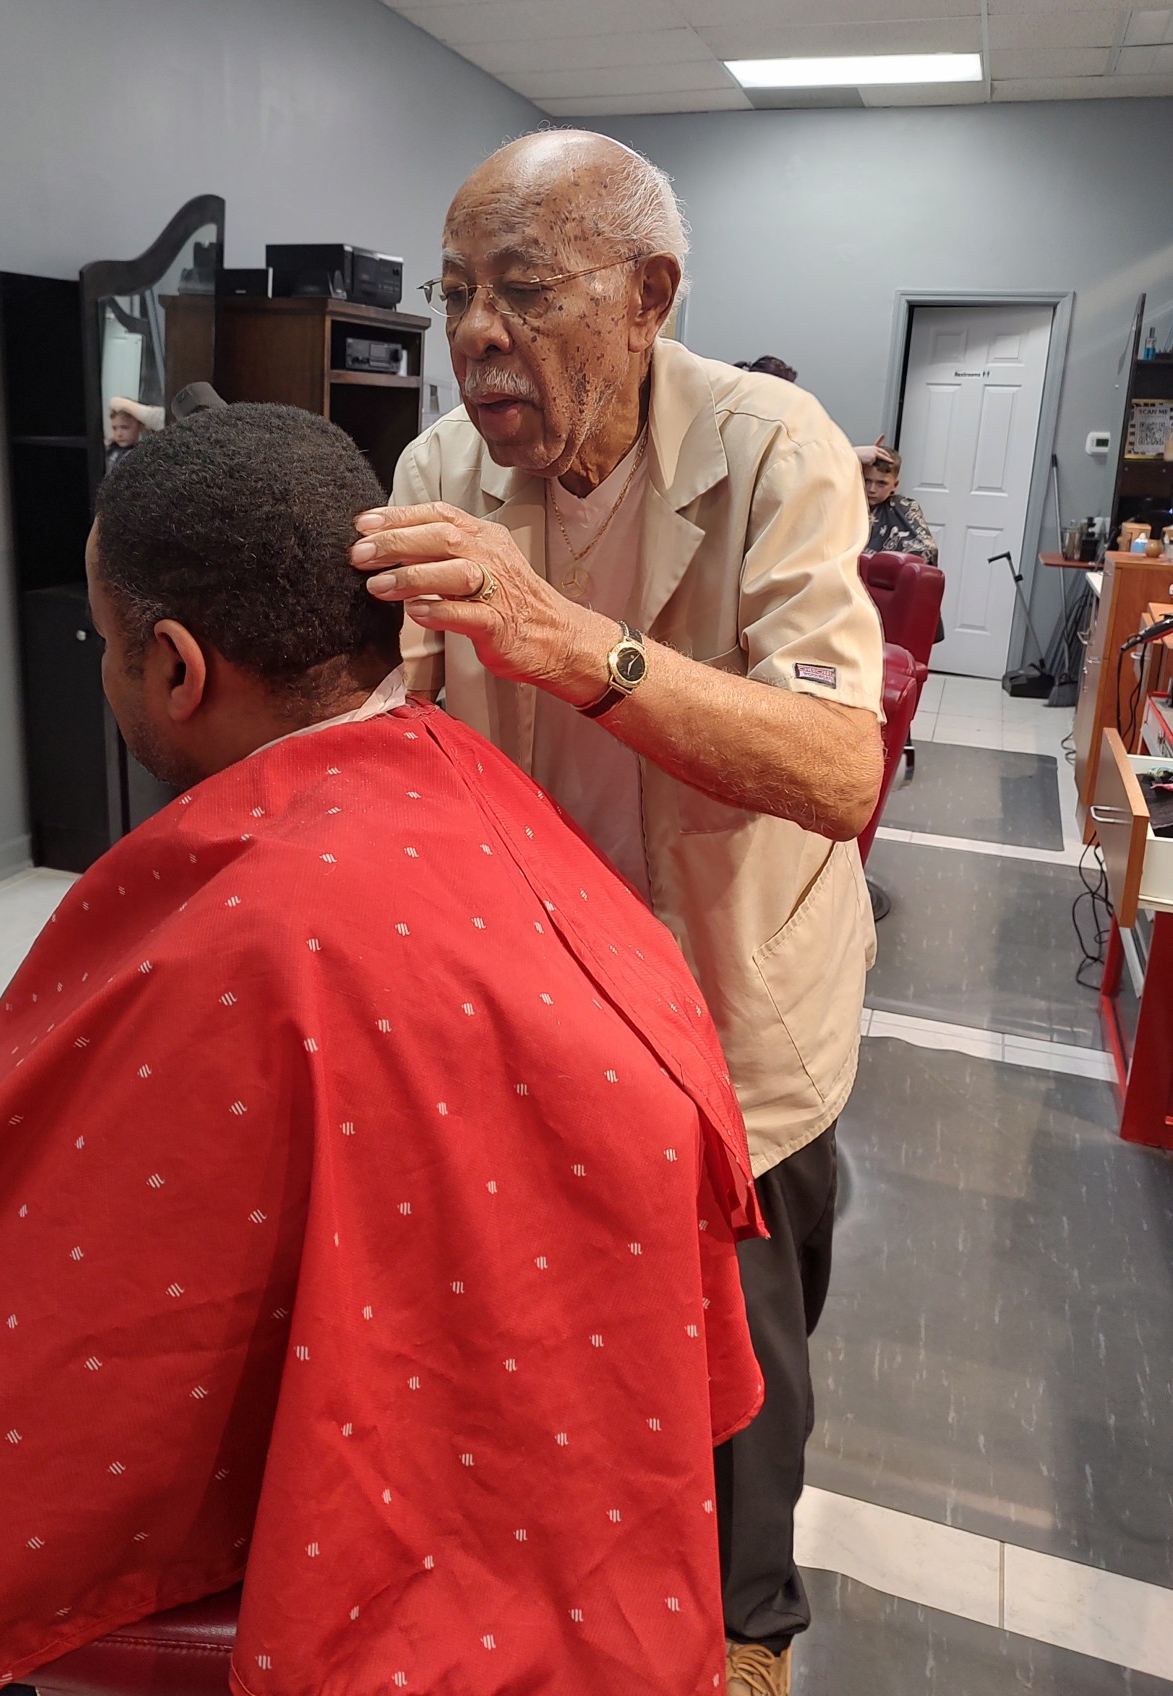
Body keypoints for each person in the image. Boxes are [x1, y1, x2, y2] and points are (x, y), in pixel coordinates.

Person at [0, 405, 763, 1696]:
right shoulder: (478, 786)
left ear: (175, 668)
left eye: (103, 647)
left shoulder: (258, 937)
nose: (102, 671)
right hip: (595, 1452)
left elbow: (79, 1311)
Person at [351, 130, 885, 1696]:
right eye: (456, 295)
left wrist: (572, 643)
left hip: (734, 1013)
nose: (474, 338)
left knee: (740, 1387)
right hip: (537, 1014)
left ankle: (744, 1639)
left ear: (649, 296)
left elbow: (841, 765)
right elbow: (405, 735)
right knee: (547, 1343)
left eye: (523, 292)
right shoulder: (441, 471)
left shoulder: (773, 447)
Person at [857, 441, 940, 563]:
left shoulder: (905, 508)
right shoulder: (846, 505)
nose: (871, 489)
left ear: (894, 485)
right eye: (866, 481)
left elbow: (926, 551)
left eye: (881, 483)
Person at [104, 394, 155, 470]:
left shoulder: (144, 453)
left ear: (140, 426)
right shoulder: (110, 450)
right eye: (115, 428)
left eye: (124, 427)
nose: (119, 434)